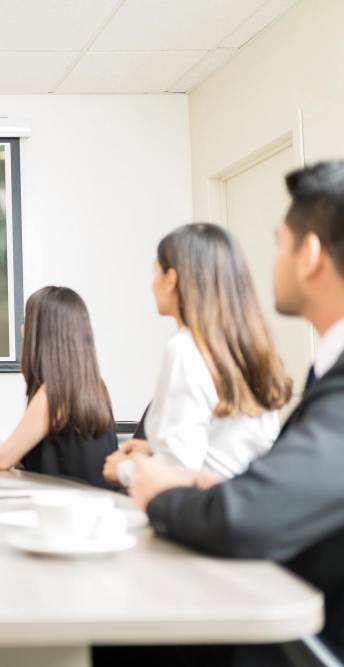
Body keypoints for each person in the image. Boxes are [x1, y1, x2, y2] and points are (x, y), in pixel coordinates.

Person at [125, 161, 344, 664]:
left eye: (279, 244)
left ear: (309, 255)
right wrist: (220, 492)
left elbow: (244, 520)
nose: (271, 264)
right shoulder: (320, 370)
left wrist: (165, 492)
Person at [104, 223, 291, 485]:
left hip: (206, 514)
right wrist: (152, 449)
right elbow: (225, 446)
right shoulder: (249, 350)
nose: (153, 282)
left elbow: (179, 471)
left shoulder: (185, 348)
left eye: (156, 271)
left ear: (172, 279)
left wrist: (123, 470)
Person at [0, 286, 117, 488]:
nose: (21, 328)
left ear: (38, 332)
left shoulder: (55, 395)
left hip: (69, 511)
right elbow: (22, 453)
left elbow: (4, 459)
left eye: (26, 320)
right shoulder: (93, 386)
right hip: (93, 507)